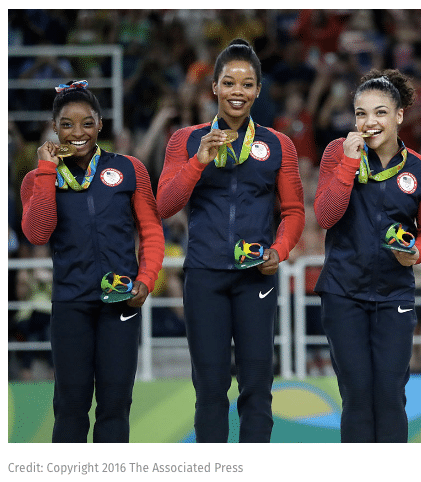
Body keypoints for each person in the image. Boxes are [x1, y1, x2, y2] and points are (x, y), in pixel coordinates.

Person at [157, 39, 305, 443]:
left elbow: (294, 212)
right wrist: (197, 163)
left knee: (257, 387)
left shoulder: (278, 144)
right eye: (229, 82)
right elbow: (165, 204)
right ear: (215, 89)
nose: (238, 91)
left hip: (256, 275)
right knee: (209, 389)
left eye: (247, 83)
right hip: (204, 275)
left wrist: (280, 250)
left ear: (258, 90)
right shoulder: (185, 141)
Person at [20, 80, 164, 442]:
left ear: (100, 124)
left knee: (116, 405)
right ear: (54, 128)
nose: (78, 132)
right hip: (71, 303)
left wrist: (145, 279)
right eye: (67, 124)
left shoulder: (129, 169)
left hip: (122, 302)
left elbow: (151, 231)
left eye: (87, 122)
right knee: (70, 406)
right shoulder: (36, 178)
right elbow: (38, 233)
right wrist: (46, 172)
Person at [314, 69, 421, 442]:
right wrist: (349, 164)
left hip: (394, 295)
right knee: (356, 397)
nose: (370, 122)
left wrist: (416, 253)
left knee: (389, 397)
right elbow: (325, 216)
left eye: (380, 112)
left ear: (399, 116)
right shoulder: (338, 153)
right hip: (342, 293)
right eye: (361, 113)